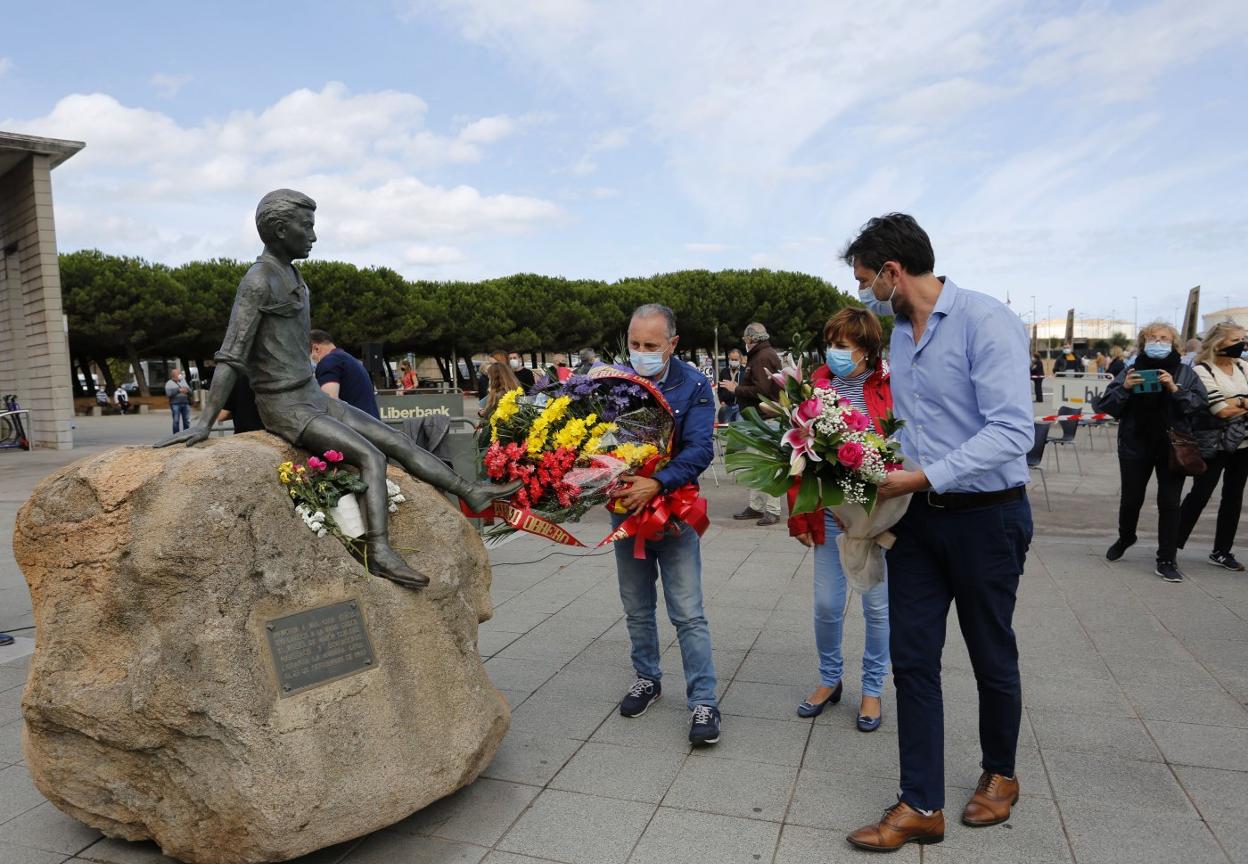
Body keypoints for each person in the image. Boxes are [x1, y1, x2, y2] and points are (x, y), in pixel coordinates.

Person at [155, 188, 518, 589]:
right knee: (371, 457)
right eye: (306, 226)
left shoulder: (293, 274)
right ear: (279, 230)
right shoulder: (258, 281)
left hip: (310, 394)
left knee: (397, 440)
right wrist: (204, 422)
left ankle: (472, 492)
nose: (313, 235)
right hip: (285, 406)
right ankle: (379, 551)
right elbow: (231, 356)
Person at [841, 214, 1035, 852]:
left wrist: (922, 477)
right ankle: (920, 803)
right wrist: (869, 466)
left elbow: (1012, 431)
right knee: (913, 659)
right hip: (919, 523)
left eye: (869, 280)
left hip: (988, 517)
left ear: (895, 273)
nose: (868, 294)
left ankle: (1000, 774)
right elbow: (910, 426)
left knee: (989, 655)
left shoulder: (985, 321)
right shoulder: (899, 334)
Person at [608, 303, 721, 746]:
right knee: (636, 607)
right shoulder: (613, 382)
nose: (640, 353)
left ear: (673, 344)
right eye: (634, 344)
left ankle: (704, 700)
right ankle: (647, 679)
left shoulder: (693, 385)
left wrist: (655, 483)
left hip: (674, 515)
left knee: (688, 613)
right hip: (626, 515)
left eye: (650, 346)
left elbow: (699, 450)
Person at [789, 308, 892, 732]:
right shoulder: (814, 387)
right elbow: (795, 455)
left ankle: (872, 689)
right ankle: (830, 680)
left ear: (866, 350)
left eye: (842, 346)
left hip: (875, 518)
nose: (833, 353)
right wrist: (798, 516)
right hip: (829, 516)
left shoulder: (889, 388)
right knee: (828, 604)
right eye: (829, 344)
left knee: (877, 607)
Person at [1096, 322, 1207, 583]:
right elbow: (1108, 406)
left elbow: (1199, 405)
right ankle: (1126, 537)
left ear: (1174, 343)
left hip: (1172, 447)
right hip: (1136, 444)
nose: (1158, 342)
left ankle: (1166, 559)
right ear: (1144, 343)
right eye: (1152, 338)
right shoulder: (1130, 370)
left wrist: (1175, 389)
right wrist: (1124, 389)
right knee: (1131, 498)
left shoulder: (1185, 372)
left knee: (1169, 503)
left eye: (1164, 338)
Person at [1178, 323, 1248, 571]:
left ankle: (1222, 551)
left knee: (1234, 497)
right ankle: (1172, 543)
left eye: (1244, 338)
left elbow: (1227, 406)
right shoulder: (1202, 369)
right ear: (1219, 343)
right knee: (1201, 493)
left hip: (1243, 443)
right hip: (1213, 442)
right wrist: (1242, 401)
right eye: (1237, 339)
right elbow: (1221, 409)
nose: (1243, 344)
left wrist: (1235, 401)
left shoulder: (1242, 366)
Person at [721, 323, 784, 525]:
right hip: (761, 418)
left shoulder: (762, 357)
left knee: (767, 465)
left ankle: (772, 510)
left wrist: (736, 389)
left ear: (751, 338)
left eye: (745, 339)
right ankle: (756, 506)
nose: (744, 342)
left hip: (765, 419)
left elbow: (762, 390)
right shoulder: (764, 354)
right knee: (758, 465)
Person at [310, 330, 381, 419]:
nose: (313, 360)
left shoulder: (329, 361)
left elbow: (330, 404)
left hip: (355, 428)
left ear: (316, 349)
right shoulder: (347, 359)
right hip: (369, 425)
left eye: (310, 355)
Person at [476, 359, 522, 447]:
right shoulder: (515, 390)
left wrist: (483, 412)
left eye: (489, 377)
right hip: (513, 435)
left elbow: (489, 417)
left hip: (500, 438)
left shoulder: (499, 395)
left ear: (495, 378)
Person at [717, 349, 745, 423]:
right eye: (732, 359)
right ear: (729, 359)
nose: (734, 361)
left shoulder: (745, 372)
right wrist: (722, 401)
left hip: (741, 406)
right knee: (726, 429)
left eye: (736, 359)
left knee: (740, 428)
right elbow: (720, 389)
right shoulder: (724, 371)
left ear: (740, 359)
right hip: (727, 406)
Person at [165, 368, 192, 434]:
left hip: (185, 403)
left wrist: (187, 390)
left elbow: (190, 391)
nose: (180, 374)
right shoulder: (169, 383)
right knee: (176, 420)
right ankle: (176, 435)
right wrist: (179, 390)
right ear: (173, 375)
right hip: (175, 404)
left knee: (186, 420)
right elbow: (169, 394)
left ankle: (186, 434)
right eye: (178, 373)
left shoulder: (183, 381)